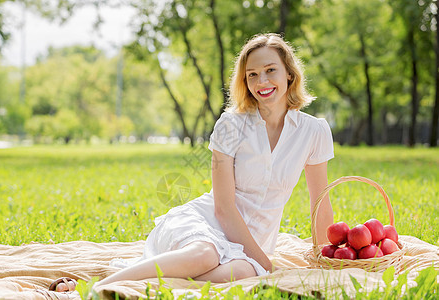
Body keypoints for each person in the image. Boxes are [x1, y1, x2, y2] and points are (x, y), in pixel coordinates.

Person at [51, 33, 334, 293]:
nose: (262, 82)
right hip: (204, 224)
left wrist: (329, 262)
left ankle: (144, 276)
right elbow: (223, 209)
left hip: (250, 247)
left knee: (241, 272)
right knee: (206, 254)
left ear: (289, 73)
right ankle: (90, 290)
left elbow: (319, 202)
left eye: (270, 70)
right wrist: (269, 267)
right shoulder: (230, 125)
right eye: (252, 75)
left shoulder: (313, 131)